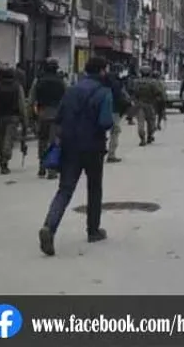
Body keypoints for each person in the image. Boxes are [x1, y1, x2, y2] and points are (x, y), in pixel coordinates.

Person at [38, 57, 114, 256]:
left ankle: (49, 227)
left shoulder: (71, 90)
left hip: (70, 147)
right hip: (93, 147)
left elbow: (60, 117)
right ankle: (93, 230)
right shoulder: (104, 92)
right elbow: (106, 121)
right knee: (94, 188)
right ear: (102, 71)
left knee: (65, 190)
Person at [0, 68, 28, 175]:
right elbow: (22, 104)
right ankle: (5, 161)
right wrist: (24, 119)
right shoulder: (17, 87)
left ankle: (2, 157)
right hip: (13, 117)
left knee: (0, 139)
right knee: (8, 140)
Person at [30, 59, 67, 180]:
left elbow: (31, 98)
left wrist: (31, 114)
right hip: (57, 115)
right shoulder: (61, 81)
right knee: (54, 142)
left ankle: (42, 167)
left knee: (42, 141)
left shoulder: (39, 80)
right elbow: (67, 97)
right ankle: (52, 170)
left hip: (42, 113)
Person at [105, 66, 131, 163]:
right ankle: (111, 155)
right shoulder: (116, 84)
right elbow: (120, 98)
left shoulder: (103, 82)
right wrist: (127, 104)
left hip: (102, 110)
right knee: (114, 132)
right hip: (114, 111)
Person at [131, 67, 162, 146]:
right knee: (151, 123)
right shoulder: (152, 82)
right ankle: (149, 136)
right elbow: (158, 93)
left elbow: (133, 93)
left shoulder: (136, 82)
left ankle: (142, 139)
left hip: (139, 105)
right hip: (150, 104)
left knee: (140, 123)